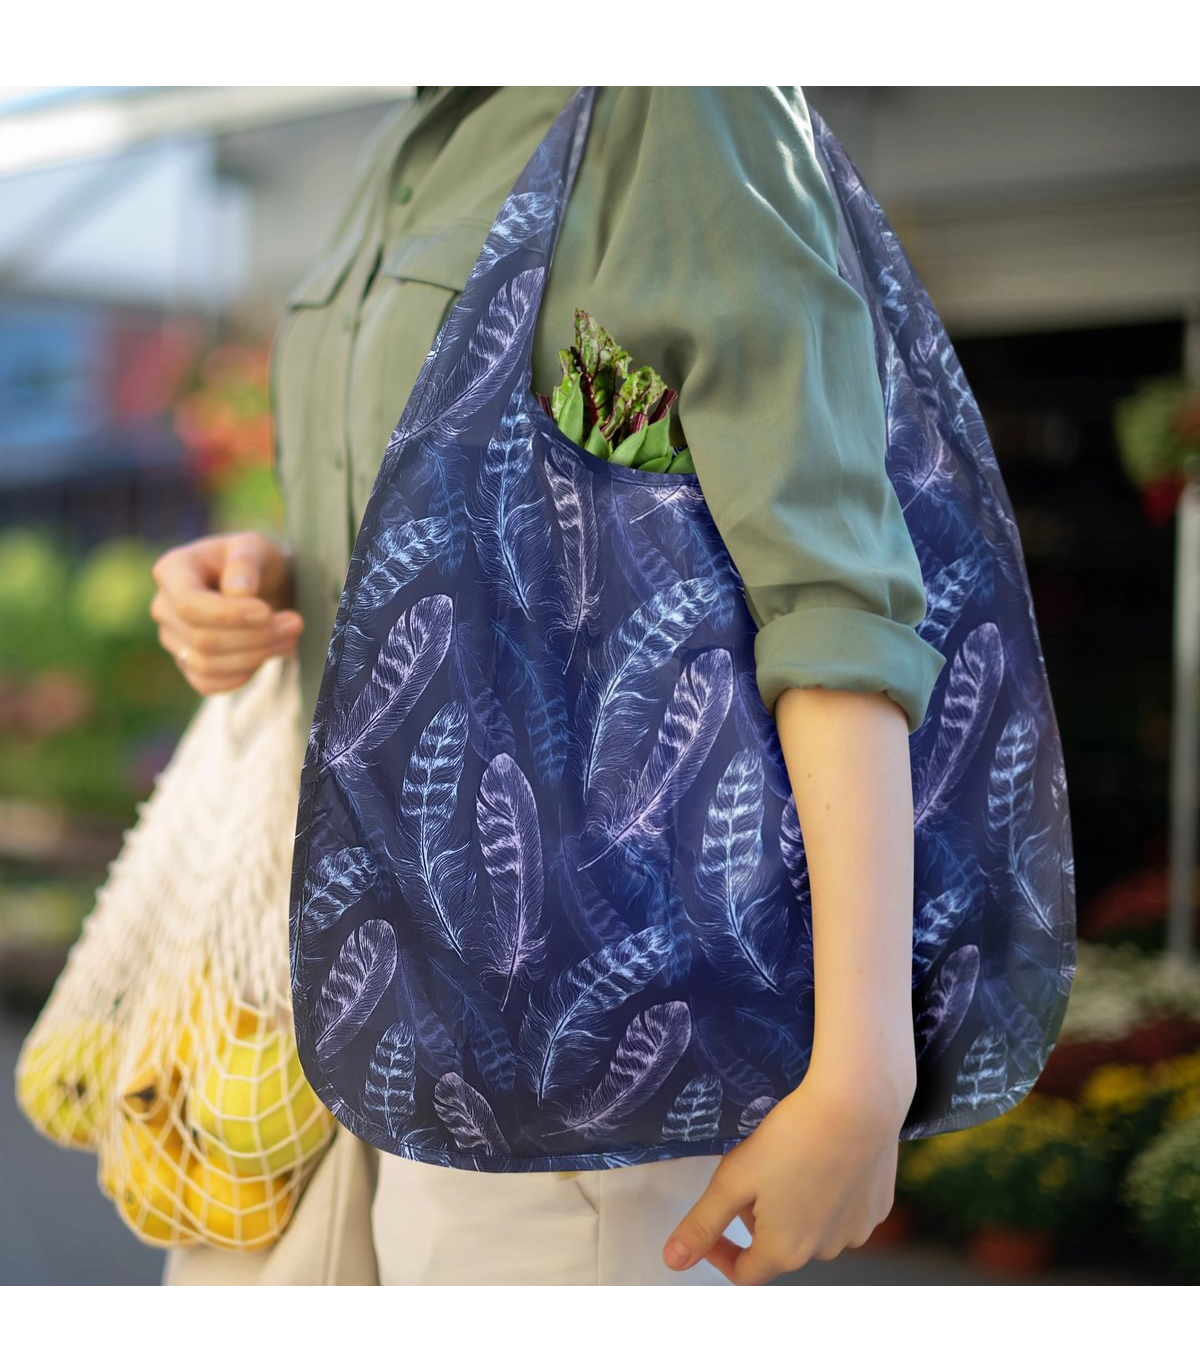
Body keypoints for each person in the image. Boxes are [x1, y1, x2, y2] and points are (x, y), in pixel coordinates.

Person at [151, 86, 945, 1286]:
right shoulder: (405, 137)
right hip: (332, 966)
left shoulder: (675, 98)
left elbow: (828, 598)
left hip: (563, 1006)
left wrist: (864, 1071)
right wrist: (268, 566)